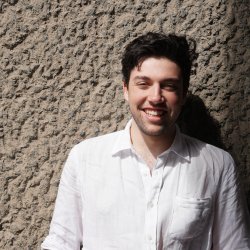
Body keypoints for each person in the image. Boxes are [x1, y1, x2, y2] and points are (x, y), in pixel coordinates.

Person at [41, 32, 250, 250]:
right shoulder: (85, 159)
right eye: (143, 84)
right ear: (125, 89)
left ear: (183, 93)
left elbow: (235, 246)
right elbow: (61, 244)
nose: (156, 97)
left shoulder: (217, 165)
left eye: (168, 86)